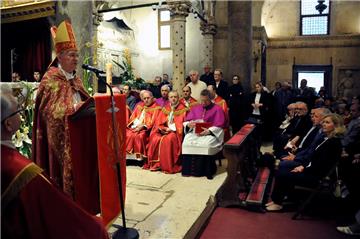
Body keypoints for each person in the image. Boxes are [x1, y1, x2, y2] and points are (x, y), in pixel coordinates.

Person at [1, 90, 109, 239]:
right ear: (8, 124)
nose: (22, 115)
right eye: (18, 111)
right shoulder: (22, 172)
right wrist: (96, 226)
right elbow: (61, 217)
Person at [32, 20, 91, 197]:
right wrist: (74, 108)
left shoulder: (76, 79)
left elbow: (83, 98)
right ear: (60, 57)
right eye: (72, 55)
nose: (76, 59)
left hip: (78, 135)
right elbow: (50, 113)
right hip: (59, 141)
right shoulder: (50, 79)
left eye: (77, 55)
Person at [266, 113, 345, 211]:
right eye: (323, 122)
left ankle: (278, 203)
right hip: (312, 169)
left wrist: (303, 167)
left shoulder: (334, 142)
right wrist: (303, 165)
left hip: (316, 175)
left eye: (327, 122)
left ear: (336, 126)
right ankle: (279, 199)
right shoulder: (326, 138)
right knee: (283, 169)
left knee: (283, 174)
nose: (323, 124)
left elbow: (322, 164)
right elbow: (314, 158)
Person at [181, 89, 226, 179]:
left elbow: (220, 126)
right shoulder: (196, 108)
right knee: (186, 142)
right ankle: (188, 170)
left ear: (210, 99)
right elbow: (186, 121)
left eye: (206, 101)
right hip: (195, 133)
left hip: (210, 134)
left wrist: (209, 131)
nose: (203, 103)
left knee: (206, 144)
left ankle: (206, 171)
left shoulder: (217, 109)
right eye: (202, 100)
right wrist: (189, 124)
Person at [146, 91, 187, 173]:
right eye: (171, 97)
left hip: (176, 132)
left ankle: (167, 165)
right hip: (165, 130)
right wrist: (162, 128)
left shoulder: (183, 109)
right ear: (168, 98)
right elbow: (158, 122)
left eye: (175, 97)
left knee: (168, 140)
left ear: (178, 98)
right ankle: (157, 164)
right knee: (155, 138)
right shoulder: (166, 108)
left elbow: (182, 124)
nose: (173, 99)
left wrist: (171, 129)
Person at [126, 90, 160, 160]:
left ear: (152, 98)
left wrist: (143, 126)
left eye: (148, 98)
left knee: (140, 136)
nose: (146, 100)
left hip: (147, 130)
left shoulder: (157, 108)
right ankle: (129, 158)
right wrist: (136, 125)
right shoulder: (139, 106)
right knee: (128, 134)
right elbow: (132, 117)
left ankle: (140, 158)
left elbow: (154, 122)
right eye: (144, 98)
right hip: (136, 126)